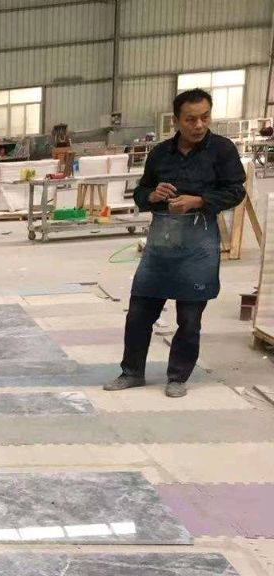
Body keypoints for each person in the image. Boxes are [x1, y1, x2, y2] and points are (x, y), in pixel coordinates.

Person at [105, 87, 246, 398]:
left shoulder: (222, 150)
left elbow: (236, 192)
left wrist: (199, 200)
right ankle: (132, 372)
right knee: (139, 312)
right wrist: (153, 196)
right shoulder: (160, 154)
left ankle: (178, 377)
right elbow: (140, 193)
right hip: (162, 242)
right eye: (191, 119)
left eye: (204, 118)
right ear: (177, 121)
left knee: (189, 318)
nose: (199, 125)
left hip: (198, 243)